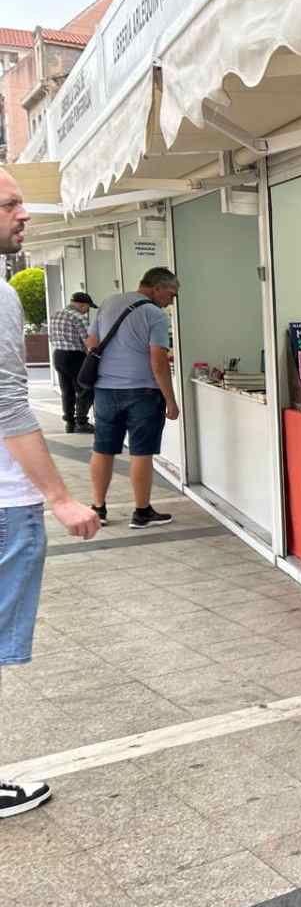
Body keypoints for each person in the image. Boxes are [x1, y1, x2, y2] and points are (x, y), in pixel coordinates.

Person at [0, 165, 101, 819]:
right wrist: (62, 497)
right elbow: (8, 405)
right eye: (11, 203)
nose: (23, 213)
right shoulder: (3, 296)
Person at [87, 267, 180, 529]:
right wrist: (170, 400)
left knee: (102, 449)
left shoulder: (108, 303)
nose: (171, 301)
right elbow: (158, 361)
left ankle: (98, 509)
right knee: (141, 452)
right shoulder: (155, 314)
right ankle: (141, 512)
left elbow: (91, 342)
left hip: (105, 390)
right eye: (171, 295)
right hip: (143, 393)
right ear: (156, 288)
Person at [48, 291, 97, 434]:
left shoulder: (56, 315)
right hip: (75, 356)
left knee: (67, 390)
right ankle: (81, 422)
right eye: (88, 307)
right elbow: (88, 342)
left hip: (58, 355)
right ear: (82, 305)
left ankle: (69, 422)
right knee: (85, 388)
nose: (87, 311)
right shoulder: (79, 317)